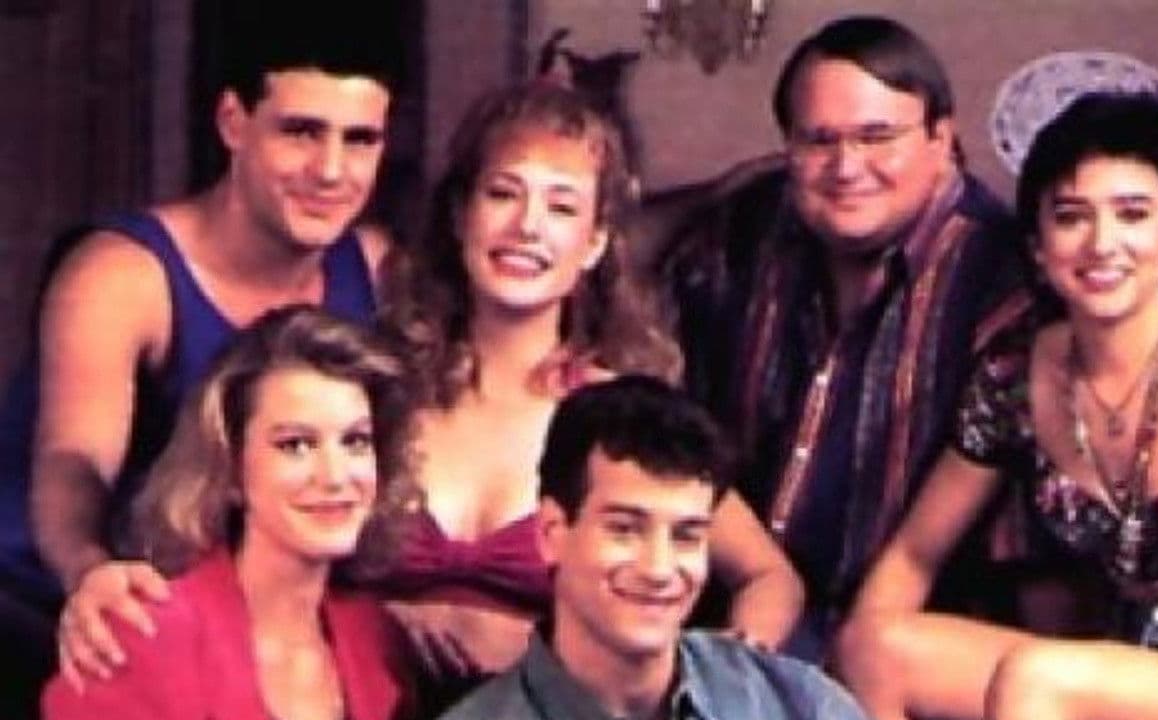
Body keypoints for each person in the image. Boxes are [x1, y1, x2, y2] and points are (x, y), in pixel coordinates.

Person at [835, 92, 1158, 719]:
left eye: (1132, 214)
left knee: (1040, 677)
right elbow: (913, 556)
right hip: (1128, 660)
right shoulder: (1014, 376)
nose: (1102, 243)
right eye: (1071, 217)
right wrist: (846, 655)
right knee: (875, 649)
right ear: (1040, 248)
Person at [368, 80, 802, 707]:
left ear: (595, 243)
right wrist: (377, 620)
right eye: (503, 193)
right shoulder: (378, 390)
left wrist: (709, 684)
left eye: (562, 207)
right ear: (461, 216)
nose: (527, 226)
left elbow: (770, 579)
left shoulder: (619, 416)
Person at [16, 1, 402, 700]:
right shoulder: (123, 274)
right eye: (301, 132)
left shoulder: (375, 267)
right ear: (233, 122)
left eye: (360, 140)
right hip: (75, 612)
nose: (330, 170)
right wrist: (88, 572)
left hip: (260, 625)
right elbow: (72, 459)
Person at [661, 14, 1025, 658]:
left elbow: (1024, 558)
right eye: (818, 140)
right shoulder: (748, 225)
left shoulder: (1001, 278)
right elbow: (610, 268)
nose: (847, 167)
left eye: (877, 137)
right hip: (727, 619)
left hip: (910, 647)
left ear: (942, 138)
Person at [43, 305, 417, 719]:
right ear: (231, 468)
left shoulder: (377, 640)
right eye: (295, 445)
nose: (335, 476)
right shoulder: (141, 634)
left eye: (355, 441)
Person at [440, 375, 865, 719]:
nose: (659, 569)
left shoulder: (800, 705)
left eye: (686, 536)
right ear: (551, 533)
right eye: (625, 530)